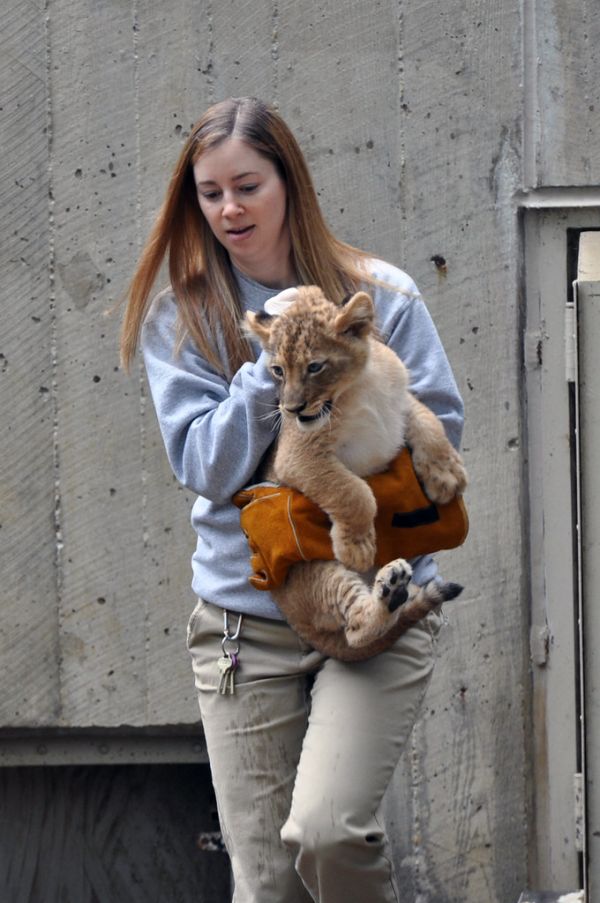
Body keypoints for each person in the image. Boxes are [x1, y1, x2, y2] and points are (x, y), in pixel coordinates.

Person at [120, 96, 464, 903]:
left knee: (330, 834)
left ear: (289, 183)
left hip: (379, 594)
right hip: (244, 618)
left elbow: (437, 426)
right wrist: (272, 359)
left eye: (248, 185)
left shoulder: (382, 297)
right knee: (269, 884)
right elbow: (205, 464)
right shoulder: (184, 316)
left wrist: (345, 461)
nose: (230, 208)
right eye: (210, 193)